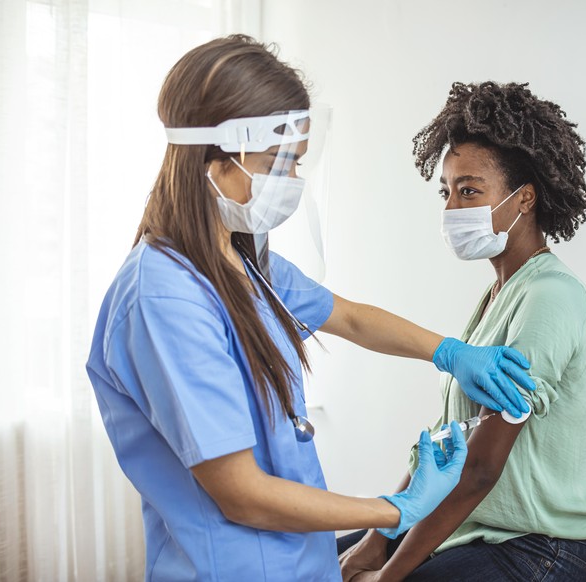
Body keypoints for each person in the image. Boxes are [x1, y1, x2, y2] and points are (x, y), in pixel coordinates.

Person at [85, 38, 539, 582]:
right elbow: (242, 495)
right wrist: (395, 510)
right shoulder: (163, 299)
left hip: (300, 561)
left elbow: (347, 317)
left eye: (297, 164)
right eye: (279, 164)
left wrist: (449, 352)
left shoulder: (241, 258)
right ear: (217, 157)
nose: (291, 182)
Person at [337, 82, 586, 582]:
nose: (451, 209)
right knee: (307, 559)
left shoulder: (551, 295)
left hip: (542, 549)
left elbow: (482, 467)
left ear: (524, 198)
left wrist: (388, 574)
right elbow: (450, 442)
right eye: (446, 191)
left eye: (469, 190)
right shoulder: (496, 298)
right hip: (479, 530)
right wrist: (376, 539)